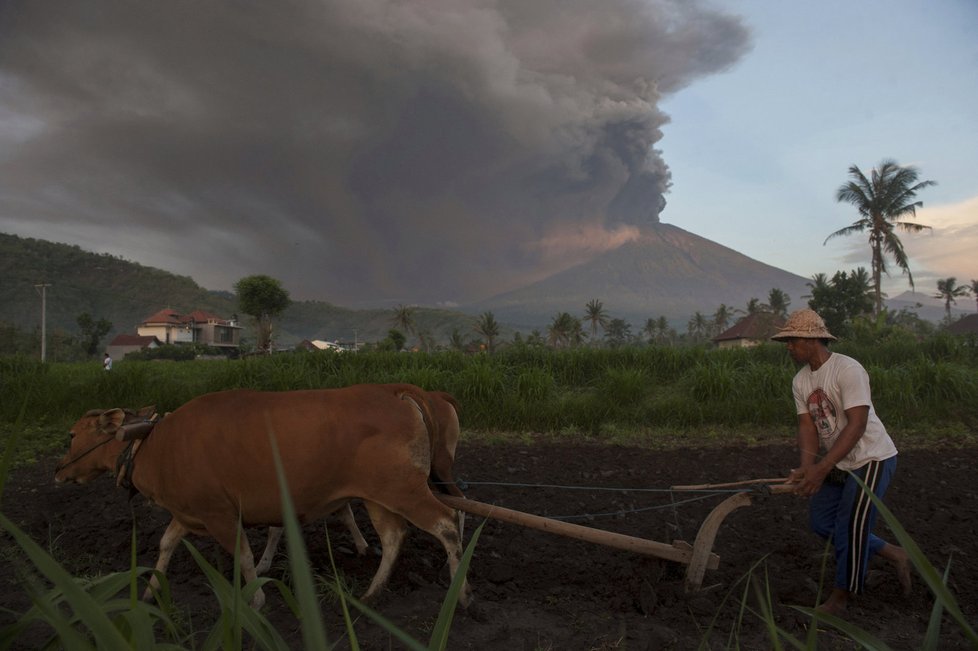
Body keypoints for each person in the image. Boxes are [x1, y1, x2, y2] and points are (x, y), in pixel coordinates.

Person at [772, 308, 910, 616]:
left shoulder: (848, 369)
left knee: (850, 526)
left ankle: (841, 599)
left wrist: (821, 469)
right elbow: (807, 427)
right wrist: (808, 467)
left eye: (792, 341)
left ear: (812, 340)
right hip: (840, 462)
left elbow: (857, 424)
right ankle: (893, 552)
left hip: (870, 458)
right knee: (821, 522)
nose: (789, 348)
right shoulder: (800, 381)